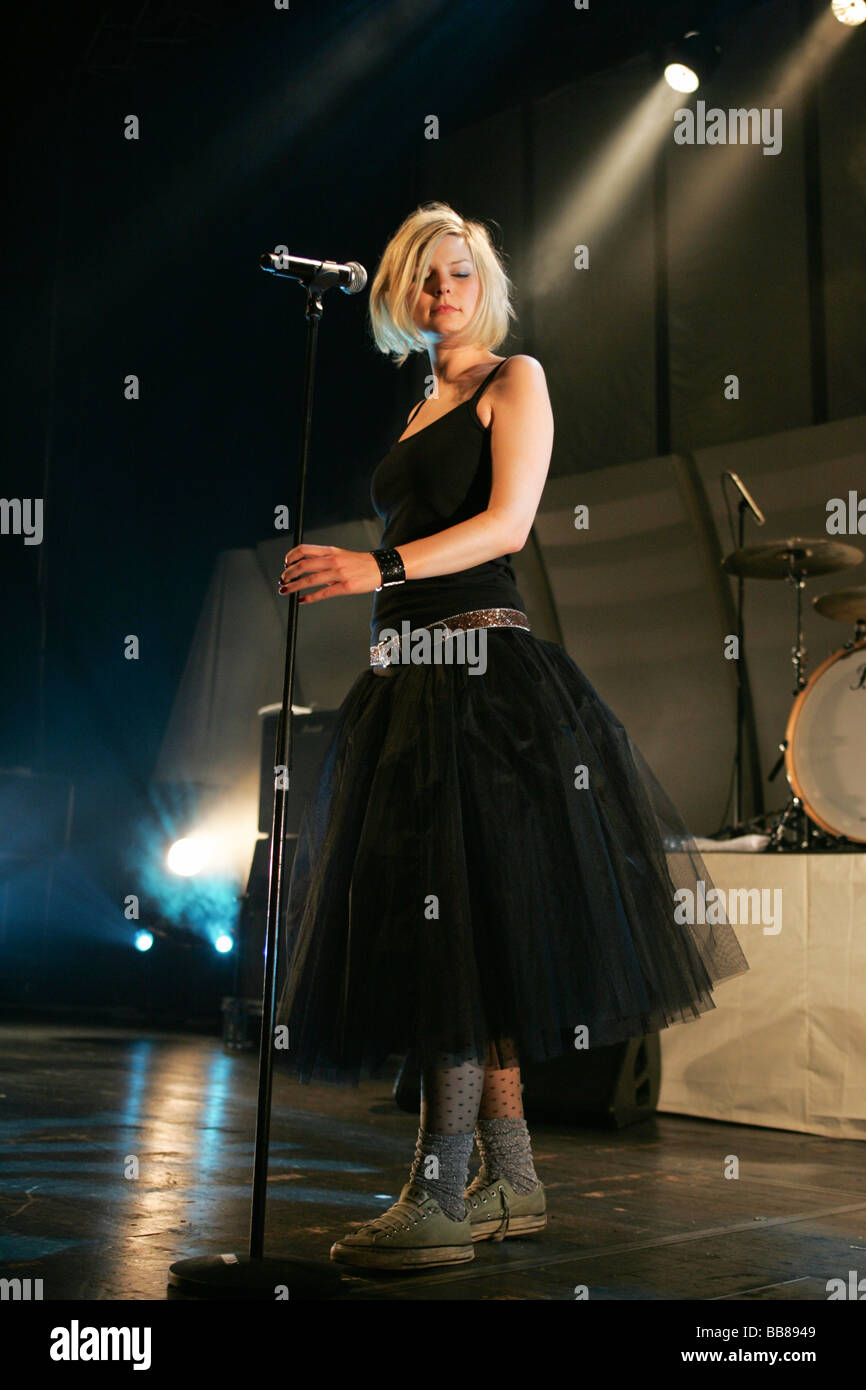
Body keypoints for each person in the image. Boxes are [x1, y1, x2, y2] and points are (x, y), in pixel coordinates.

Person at [275, 201, 749, 1272]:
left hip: (483, 680)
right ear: (398, 293)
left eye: (456, 274)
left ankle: (443, 1187)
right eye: (422, 278)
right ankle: (512, 1180)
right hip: (409, 681)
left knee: (456, 936)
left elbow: (505, 528)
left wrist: (373, 568)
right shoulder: (415, 409)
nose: (440, 292)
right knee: (465, 934)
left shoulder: (509, 380)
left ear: (481, 285)